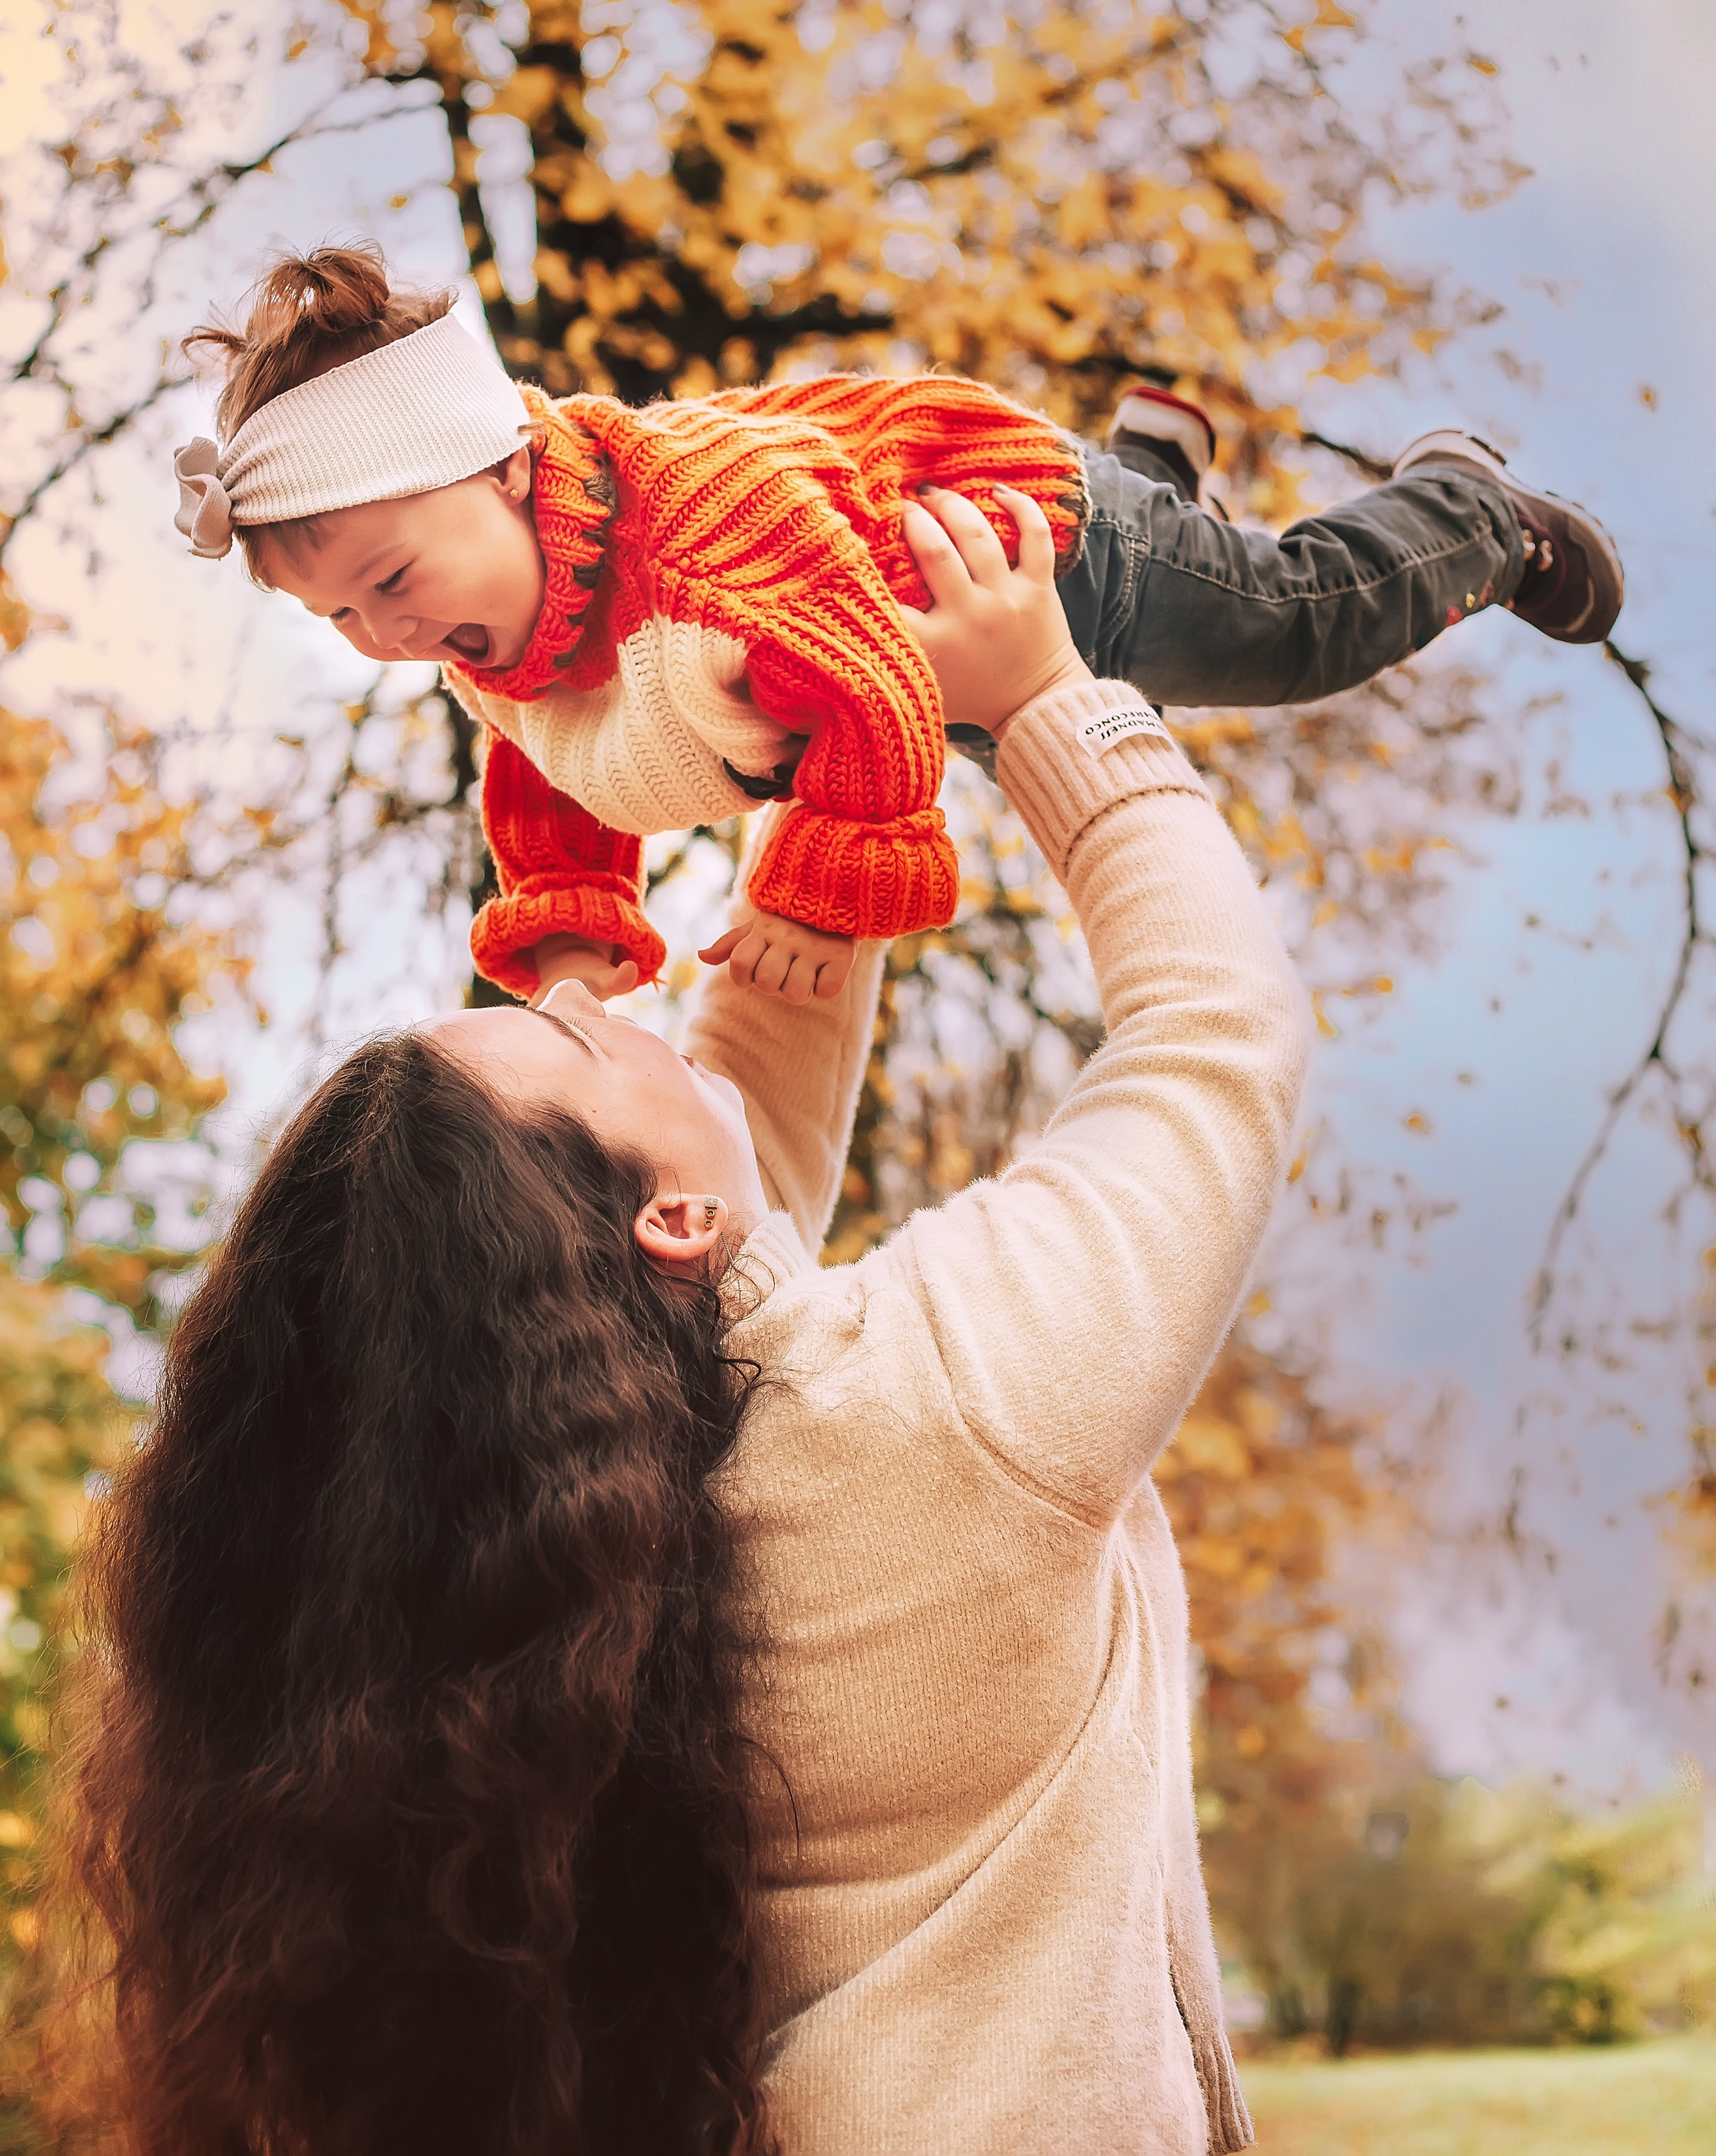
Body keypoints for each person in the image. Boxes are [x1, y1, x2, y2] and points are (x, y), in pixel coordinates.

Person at [54, 489, 1310, 2156]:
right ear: (661, 1222)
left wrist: (846, 763)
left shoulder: (536, 1560)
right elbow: (1215, 1038)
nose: (590, 997)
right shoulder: (952, 1409)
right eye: (574, 1043)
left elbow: (723, 1227)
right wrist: (1044, 703)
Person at [172, 246, 1621, 1004]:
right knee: (1092, 734)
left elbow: (866, 667)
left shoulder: (696, 525)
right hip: (937, 637)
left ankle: (1471, 509)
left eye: (390, 581)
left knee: (1280, 634)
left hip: (1030, 551)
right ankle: (1159, 455)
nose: (383, 635)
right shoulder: (485, 617)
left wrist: (817, 882)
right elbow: (550, 759)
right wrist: (570, 931)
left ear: (501, 468)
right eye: (339, 615)